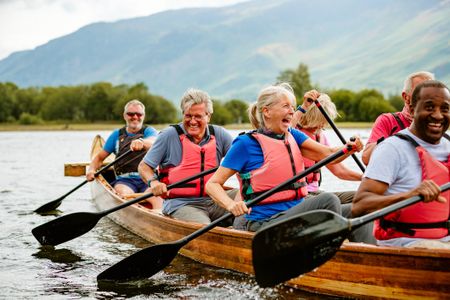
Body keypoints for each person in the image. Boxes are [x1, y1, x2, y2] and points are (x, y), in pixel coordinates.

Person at [205, 83, 364, 233]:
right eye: (286, 106)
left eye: (293, 107)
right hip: (264, 221)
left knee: (357, 209)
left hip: (294, 213)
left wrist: (349, 148)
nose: (291, 111)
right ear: (266, 111)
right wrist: (231, 204)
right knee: (329, 201)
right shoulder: (245, 144)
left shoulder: (293, 135)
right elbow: (212, 184)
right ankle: (324, 249)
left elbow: (329, 154)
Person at [352, 80, 450, 249]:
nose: (438, 115)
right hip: (404, 244)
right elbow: (359, 205)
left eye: (445, 109)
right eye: (429, 107)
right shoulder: (391, 149)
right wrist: (409, 195)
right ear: (412, 109)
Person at [138, 88, 236, 224]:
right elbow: (144, 167)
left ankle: (241, 231)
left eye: (198, 116)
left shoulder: (220, 135)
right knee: (203, 227)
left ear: (208, 116)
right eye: (188, 116)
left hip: (215, 199)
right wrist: (153, 182)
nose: (193, 121)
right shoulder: (168, 136)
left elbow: (242, 161)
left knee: (252, 198)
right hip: (182, 204)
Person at [86, 99, 162, 209]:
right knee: (122, 194)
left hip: (148, 179)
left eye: (138, 114)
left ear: (143, 116)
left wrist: (142, 142)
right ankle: (135, 214)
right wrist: (91, 170)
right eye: (130, 114)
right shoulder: (116, 135)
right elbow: (99, 158)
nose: (135, 117)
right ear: (124, 116)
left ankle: (158, 216)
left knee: (158, 196)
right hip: (125, 181)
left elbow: (154, 142)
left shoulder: (149, 131)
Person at [291, 91, 362, 204]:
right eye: (319, 121)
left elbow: (340, 170)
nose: (322, 125)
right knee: (330, 200)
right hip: (299, 195)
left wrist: (366, 177)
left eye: (324, 122)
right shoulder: (293, 134)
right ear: (309, 116)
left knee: (362, 197)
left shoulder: (320, 137)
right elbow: (285, 128)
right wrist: (304, 106)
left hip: (315, 194)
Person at [362, 71, 435, 165]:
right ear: (406, 97)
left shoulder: (437, 124)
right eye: (420, 91)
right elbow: (366, 158)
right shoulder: (387, 120)